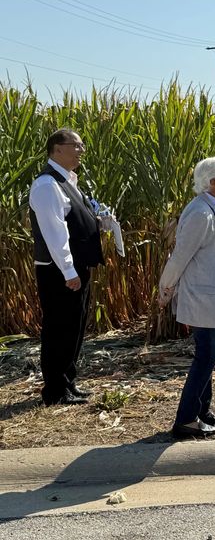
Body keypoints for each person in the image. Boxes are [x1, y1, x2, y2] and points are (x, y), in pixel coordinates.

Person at [158, 157, 215, 439]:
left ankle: (203, 411)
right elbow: (180, 256)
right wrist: (165, 288)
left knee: (209, 353)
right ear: (213, 182)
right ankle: (186, 420)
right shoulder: (201, 214)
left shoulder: (212, 210)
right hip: (202, 297)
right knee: (207, 354)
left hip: (209, 296)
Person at [29, 128, 104, 406]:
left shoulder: (68, 181)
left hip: (74, 267)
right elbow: (54, 233)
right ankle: (55, 391)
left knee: (74, 326)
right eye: (76, 145)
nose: (81, 150)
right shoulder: (48, 185)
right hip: (58, 270)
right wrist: (69, 272)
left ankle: (67, 382)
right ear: (57, 149)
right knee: (59, 328)